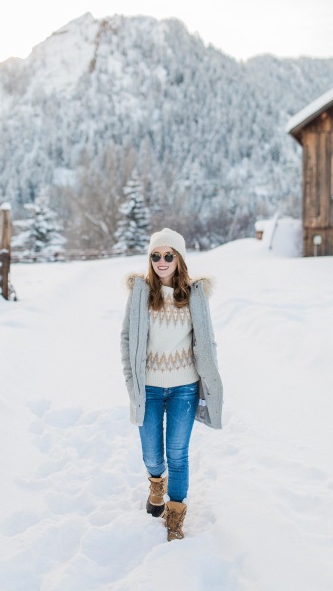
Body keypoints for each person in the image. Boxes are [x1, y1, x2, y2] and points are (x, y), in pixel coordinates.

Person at [121, 227, 223, 541]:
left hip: (184, 388)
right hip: (149, 388)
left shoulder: (194, 294)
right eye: (156, 255)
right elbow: (127, 339)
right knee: (152, 455)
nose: (162, 261)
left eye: (168, 255)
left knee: (178, 453)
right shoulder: (140, 293)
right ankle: (156, 484)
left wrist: (211, 380)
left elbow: (207, 340)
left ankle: (175, 516)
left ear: (179, 259)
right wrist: (131, 381)